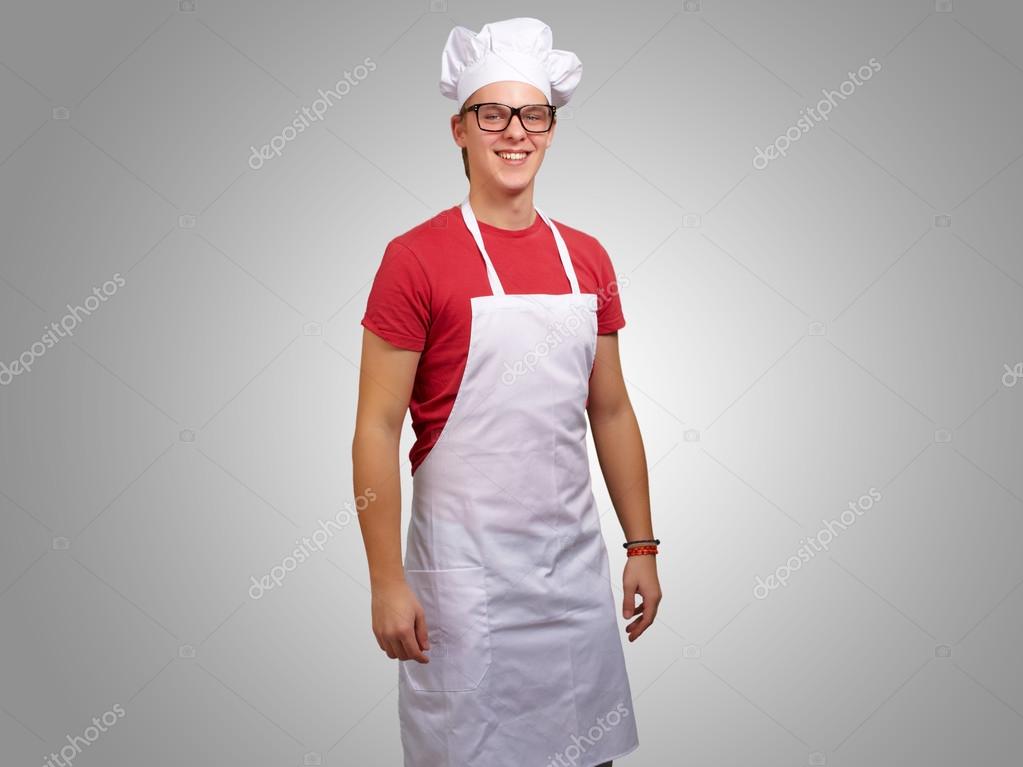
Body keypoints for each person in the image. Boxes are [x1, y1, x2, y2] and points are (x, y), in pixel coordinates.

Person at [353, 17, 661, 767]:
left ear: (551, 129)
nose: (514, 132)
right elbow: (376, 426)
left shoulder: (586, 258)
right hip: (467, 585)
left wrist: (642, 544)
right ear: (459, 129)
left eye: (532, 115)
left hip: (571, 581)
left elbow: (610, 409)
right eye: (492, 114)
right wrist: (386, 580)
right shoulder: (414, 258)